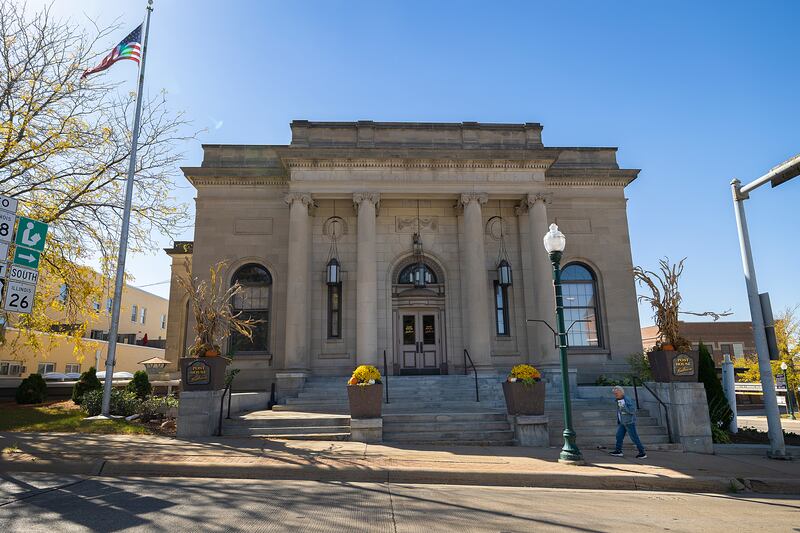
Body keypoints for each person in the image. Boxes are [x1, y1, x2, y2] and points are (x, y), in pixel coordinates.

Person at [609, 385, 647, 459]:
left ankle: (642, 452)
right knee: (619, 436)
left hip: (629, 422)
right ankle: (618, 451)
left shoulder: (627, 399)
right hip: (622, 422)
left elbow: (632, 410)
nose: (615, 395)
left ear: (621, 392)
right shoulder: (619, 399)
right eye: (614, 393)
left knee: (634, 438)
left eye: (616, 393)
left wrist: (624, 408)